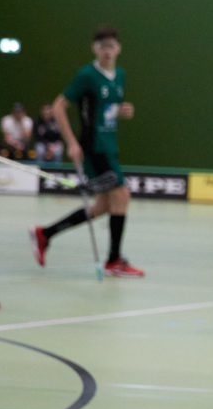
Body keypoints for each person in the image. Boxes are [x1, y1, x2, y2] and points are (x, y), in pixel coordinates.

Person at [29, 25, 142, 277]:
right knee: (121, 195)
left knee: (103, 205)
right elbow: (59, 107)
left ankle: (45, 234)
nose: (107, 51)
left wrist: (122, 110)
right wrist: (72, 143)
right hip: (94, 147)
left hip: (109, 145)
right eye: (102, 47)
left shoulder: (120, 75)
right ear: (95, 48)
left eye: (111, 46)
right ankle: (113, 260)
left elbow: (105, 109)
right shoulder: (87, 75)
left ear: (119, 48)